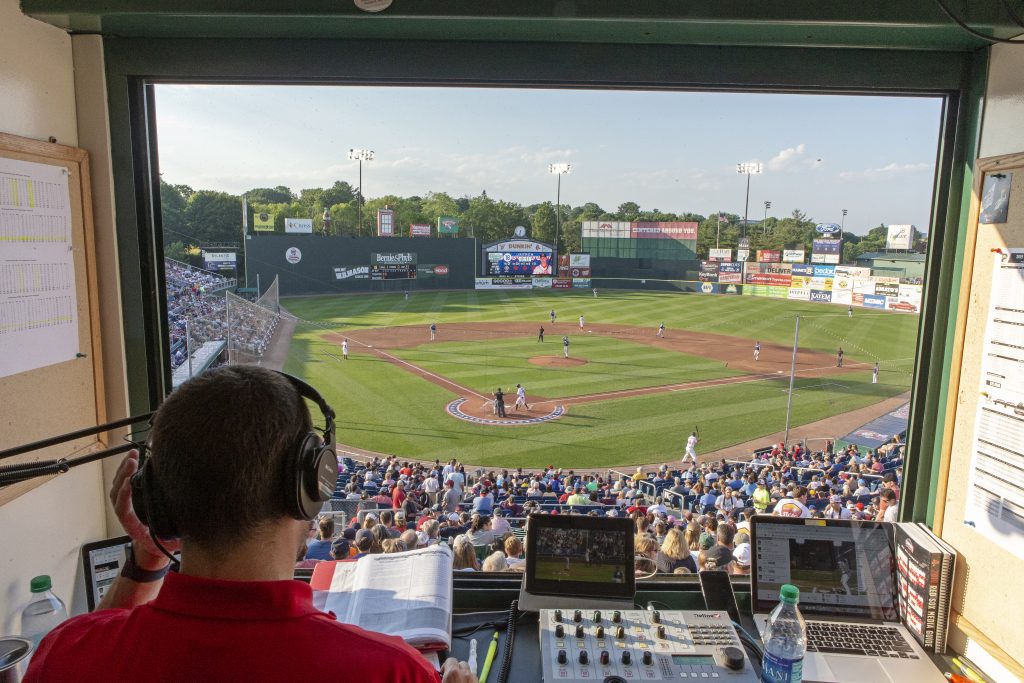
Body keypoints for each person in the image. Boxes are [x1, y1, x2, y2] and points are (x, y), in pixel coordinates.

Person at [25, 366, 475, 683]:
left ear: (156, 501)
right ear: (311, 482)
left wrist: (147, 558)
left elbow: (89, 646)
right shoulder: (393, 671)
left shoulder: (65, 655)